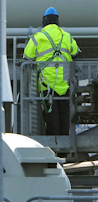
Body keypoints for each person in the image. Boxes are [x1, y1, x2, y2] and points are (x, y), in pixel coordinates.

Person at [23, 7, 80, 135]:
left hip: (46, 84)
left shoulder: (38, 37)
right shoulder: (67, 36)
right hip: (65, 83)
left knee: (50, 115)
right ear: (57, 22)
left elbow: (27, 56)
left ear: (44, 22)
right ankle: (65, 143)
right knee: (65, 113)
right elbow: (75, 52)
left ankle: (54, 146)